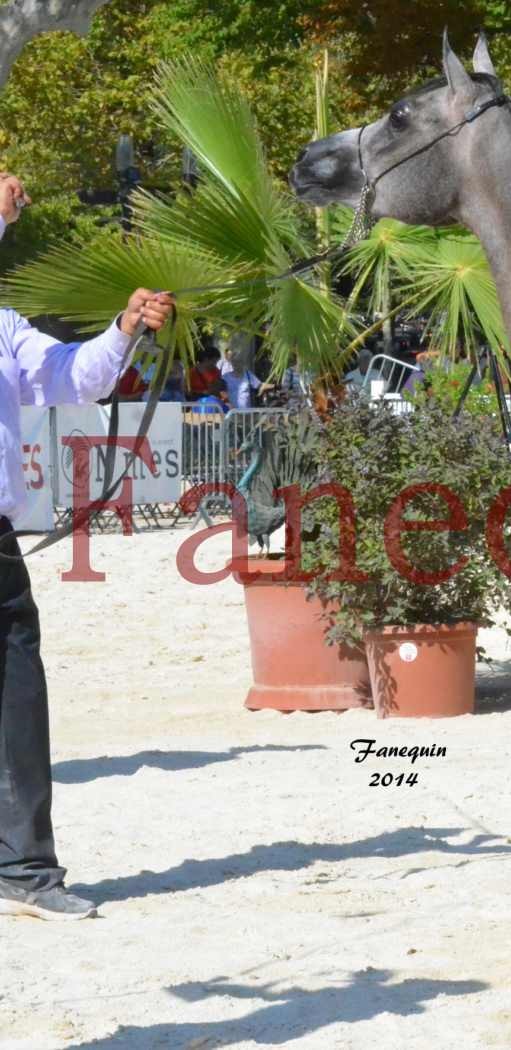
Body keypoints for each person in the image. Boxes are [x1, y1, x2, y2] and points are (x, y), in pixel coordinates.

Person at [0, 171, 174, 920]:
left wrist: (124, 329)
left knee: (19, 700)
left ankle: (25, 870)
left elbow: (74, 381)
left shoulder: (4, 325)